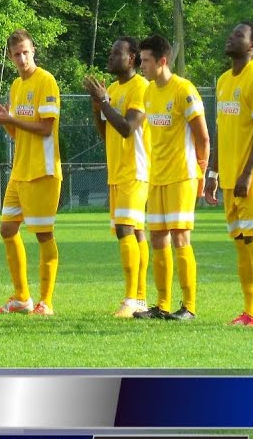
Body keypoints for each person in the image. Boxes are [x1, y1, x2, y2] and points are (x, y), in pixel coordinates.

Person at [204, 22, 253, 328]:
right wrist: (213, 171)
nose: (230, 37)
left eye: (238, 35)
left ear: (252, 47)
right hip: (231, 177)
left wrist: (247, 173)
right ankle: (249, 311)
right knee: (240, 243)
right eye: (231, 33)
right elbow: (221, 128)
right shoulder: (222, 81)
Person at [0, 30, 62, 316]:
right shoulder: (17, 86)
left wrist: (10, 117)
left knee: (43, 234)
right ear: (10, 56)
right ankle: (21, 298)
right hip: (20, 170)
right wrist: (4, 120)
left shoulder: (46, 81)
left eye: (25, 52)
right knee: (7, 229)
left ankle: (46, 302)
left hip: (42, 171)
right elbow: (18, 133)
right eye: (16, 54)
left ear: (34, 52)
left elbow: (45, 128)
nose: (21, 58)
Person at [137, 35, 210, 321]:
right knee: (157, 237)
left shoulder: (184, 89)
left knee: (180, 237)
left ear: (162, 61)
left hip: (182, 175)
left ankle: (188, 306)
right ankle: (162, 304)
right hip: (157, 177)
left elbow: (202, 136)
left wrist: (202, 171)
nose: (141, 65)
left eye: (145, 60)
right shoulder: (148, 92)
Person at [83, 37, 151, 317]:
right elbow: (107, 132)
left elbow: (127, 128)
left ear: (132, 58)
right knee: (135, 231)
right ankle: (142, 298)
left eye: (116, 53)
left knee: (125, 229)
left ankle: (131, 299)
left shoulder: (141, 87)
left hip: (135, 169)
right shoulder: (111, 89)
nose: (110, 57)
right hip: (118, 170)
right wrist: (97, 108)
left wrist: (105, 102)